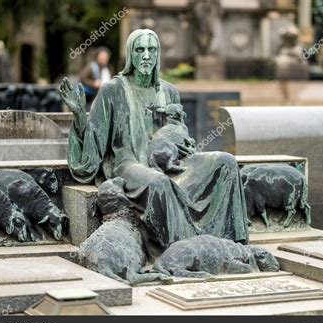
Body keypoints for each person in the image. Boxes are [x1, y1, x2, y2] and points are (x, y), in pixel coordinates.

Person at [60, 29, 248, 252]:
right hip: (130, 164)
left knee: (225, 162)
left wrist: (179, 140)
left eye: (152, 49)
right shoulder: (113, 90)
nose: (146, 55)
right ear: (131, 55)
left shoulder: (169, 91)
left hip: (170, 162)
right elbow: (95, 137)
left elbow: (181, 136)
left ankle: (232, 245)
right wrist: (80, 116)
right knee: (159, 183)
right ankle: (183, 251)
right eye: (140, 50)